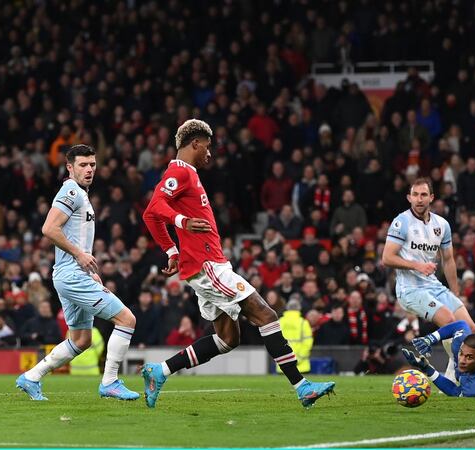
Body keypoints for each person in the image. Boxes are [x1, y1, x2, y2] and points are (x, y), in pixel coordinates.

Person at [142, 119, 335, 408]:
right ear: (195, 143)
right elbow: (153, 207)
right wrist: (181, 222)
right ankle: (302, 386)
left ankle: (160, 371)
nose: (210, 153)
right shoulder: (179, 172)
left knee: (228, 338)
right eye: (207, 147)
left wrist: (171, 250)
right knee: (266, 315)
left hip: (203, 266)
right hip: (209, 265)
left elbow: (151, 216)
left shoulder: (189, 175)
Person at [15, 144, 139, 401]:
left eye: (92, 164)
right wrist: (80, 255)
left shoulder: (80, 193)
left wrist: (86, 267)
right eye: (83, 165)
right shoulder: (71, 191)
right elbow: (49, 229)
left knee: (81, 340)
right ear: (70, 168)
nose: (89, 169)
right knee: (127, 320)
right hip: (71, 275)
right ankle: (110, 382)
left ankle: (31, 377)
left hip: (69, 275)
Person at [382, 177, 475, 380]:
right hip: (410, 289)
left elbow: (449, 260)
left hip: (433, 285)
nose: (419, 199)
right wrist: (417, 265)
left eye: (423, 194)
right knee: (450, 321)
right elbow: (387, 257)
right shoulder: (402, 222)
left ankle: (461, 372)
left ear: (431, 197)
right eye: (415, 194)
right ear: (409, 197)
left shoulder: (441, 224)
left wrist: (456, 292)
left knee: (470, 329)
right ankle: (453, 376)